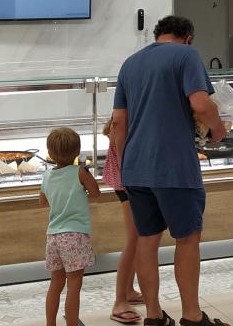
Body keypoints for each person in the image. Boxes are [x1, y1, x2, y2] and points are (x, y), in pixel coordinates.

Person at [109, 15, 229, 326]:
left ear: (158, 34)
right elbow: (201, 105)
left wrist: (126, 166)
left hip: (135, 168)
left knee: (147, 239)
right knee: (187, 238)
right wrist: (218, 129)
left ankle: (153, 316)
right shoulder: (187, 55)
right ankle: (192, 316)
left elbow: (118, 123)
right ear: (188, 36)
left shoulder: (130, 64)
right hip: (175, 167)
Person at [39, 127, 101, 326]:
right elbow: (96, 192)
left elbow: (43, 202)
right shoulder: (80, 172)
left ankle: (50, 324)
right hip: (75, 236)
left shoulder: (47, 176)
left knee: (55, 284)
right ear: (77, 152)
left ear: (50, 154)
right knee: (74, 285)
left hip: (53, 237)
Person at [101, 117, 145, 324]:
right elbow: (121, 148)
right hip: (127, 182)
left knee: (137, 238)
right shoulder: (123, 119)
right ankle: (119, 300)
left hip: (130, 179)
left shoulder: (125, 113)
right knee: (133, 239)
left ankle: (128, 291)